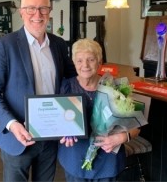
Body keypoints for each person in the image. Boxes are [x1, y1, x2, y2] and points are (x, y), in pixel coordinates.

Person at [0, 0, 76, 182]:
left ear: (49, 11)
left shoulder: (59, 44)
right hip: (19, 137)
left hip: (51, 135)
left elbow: (70, 82)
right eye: (31, 8)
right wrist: (12, 124)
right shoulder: (5, 45)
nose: (37, 14)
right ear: (21, 11)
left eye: (43, 8)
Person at [58, 38, 141, 182]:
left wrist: (121, 138)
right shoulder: (65, 87)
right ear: (74, 62)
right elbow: (56, 122)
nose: (85, 65)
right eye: (79, 60)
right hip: (75, 161)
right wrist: (62, 132)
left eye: (91, 59)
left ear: (100, 62)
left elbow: (138, 126)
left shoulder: (117, 87)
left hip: (108, 162)